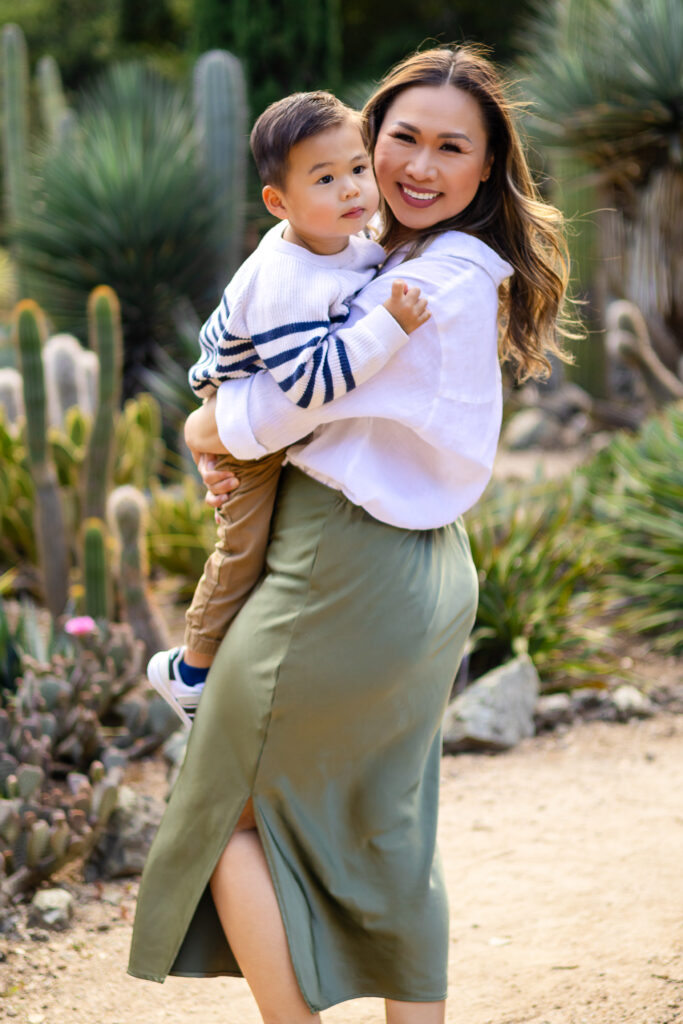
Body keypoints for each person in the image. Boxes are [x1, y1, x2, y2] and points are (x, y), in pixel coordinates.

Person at [129, 44, 572, 1023]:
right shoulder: (406, 254)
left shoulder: (430, 281)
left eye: (449, 148)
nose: (417, 166)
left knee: (224, 815)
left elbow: (291, 397)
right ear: (365, 140)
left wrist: (207, 424)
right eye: (400, 138)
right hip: (402, 568)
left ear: (486, 166)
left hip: (339, 568)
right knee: (384, 828)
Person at [146, 91, 429, 726]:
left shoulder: (348, 239)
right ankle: (189, 668)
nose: (352, 189)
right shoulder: (283, 277)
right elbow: (309, 385)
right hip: (240, 403)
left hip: (267, 400)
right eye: (325, 179)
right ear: (279, 202)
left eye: (358, 168)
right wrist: (390, 326)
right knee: (244, 547)